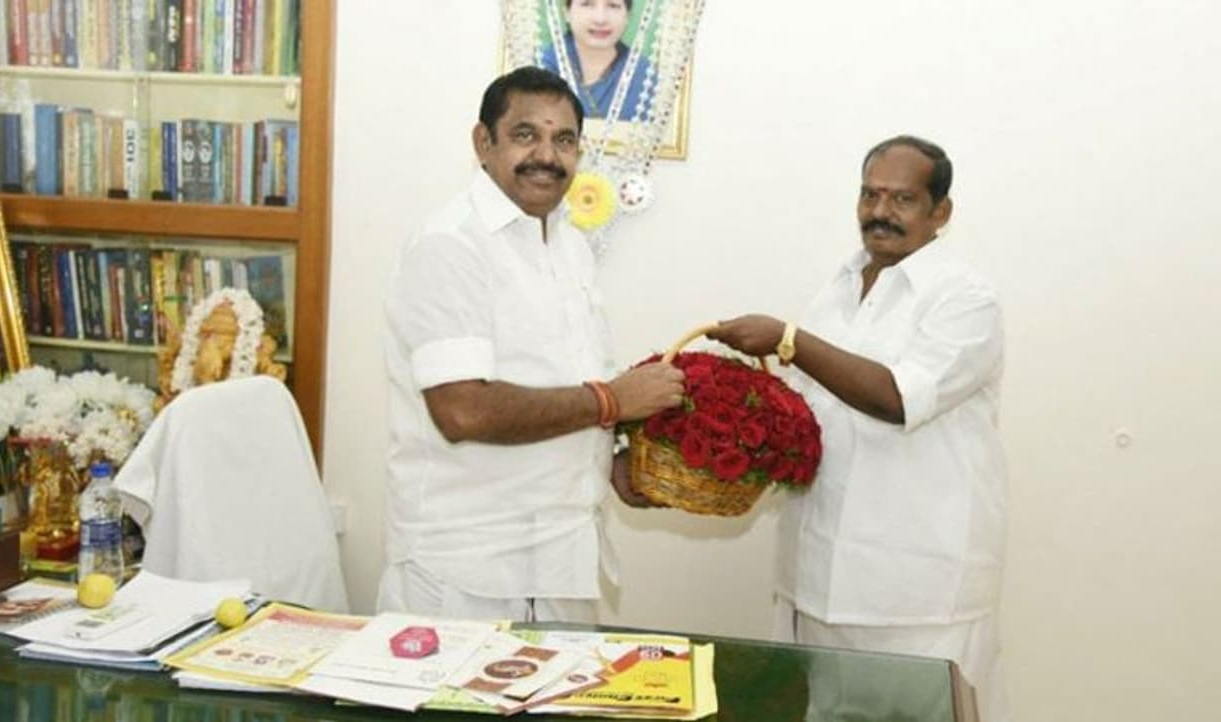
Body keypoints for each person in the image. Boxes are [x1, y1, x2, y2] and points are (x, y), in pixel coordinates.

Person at [707, 136, 1009, 722]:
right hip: (816, 583)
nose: (880, 211)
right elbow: (804, 417)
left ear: (941, 212)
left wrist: (789, 340)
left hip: (917, 595)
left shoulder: (966, 298)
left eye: (903, 199)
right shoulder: (839, 287)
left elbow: (896, 398)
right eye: (870, 195)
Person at [378, 67, 684, 623]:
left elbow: (565, 377)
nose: (546, 155)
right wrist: (612, 401)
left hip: (563, 557)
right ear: (483, 143)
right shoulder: (450, 244)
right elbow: (462, 410)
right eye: (525, 135)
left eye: (563, 140)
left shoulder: (568, 244)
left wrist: (612, 461)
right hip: (469, 571)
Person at [540, 0, 654, 121]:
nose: (600, 19)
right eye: (587, 4)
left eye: (613, 5)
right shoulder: (541, 67)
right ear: (567, 12)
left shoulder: (645, 77)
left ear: (628, 15)